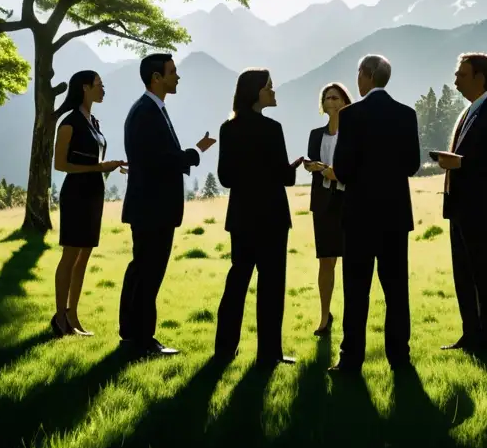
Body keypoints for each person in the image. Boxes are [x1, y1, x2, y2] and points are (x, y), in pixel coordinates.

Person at [119, 53, 216, 357]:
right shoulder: (147, 112)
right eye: (173, 72)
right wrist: (195, 152)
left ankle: (131, 333)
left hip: (151, 207)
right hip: (153, 208)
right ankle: (144, 339)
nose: (177, 77)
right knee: (149, 272)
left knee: (141, 270)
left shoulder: (149, 109)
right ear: (156, 78)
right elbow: (157, 160)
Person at [329, 54, 421, 373]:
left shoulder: (351, 115)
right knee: (396, 290)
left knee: (356, 290)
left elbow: (341, 169)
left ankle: (351, 358)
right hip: (395, 214)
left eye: (358, 73)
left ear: (367, 75)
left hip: (359, 216)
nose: (357, 79)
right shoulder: (406, 114)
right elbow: (412, 165)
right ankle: (400, 357)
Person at [214, 69, 304, 366]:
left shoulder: (227, 129)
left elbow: (225, 178)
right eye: (269, 87)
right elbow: (284, 177)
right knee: (271, 285)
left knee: (237, 280)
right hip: (273, 216)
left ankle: (225, 349)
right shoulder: (272, 128)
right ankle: (269, 353)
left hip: (241, 216)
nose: (273, 91)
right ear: (256, 92)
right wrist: (291, 169)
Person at [434, 53, 487, 355]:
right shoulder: (467, 113)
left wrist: (460, 162)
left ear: (479, 77)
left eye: (461, 75)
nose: (455, 81)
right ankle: (471, 334)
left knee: (486, 273)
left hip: (479, 209)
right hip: (459, 209)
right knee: (463, 274)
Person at [51, 70, 126, 338]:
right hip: (76, 195)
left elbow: (94, 162)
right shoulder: (69, 123)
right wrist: (98, 167)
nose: (103, 89)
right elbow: (60, 165)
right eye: (99, 85)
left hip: (95, 193)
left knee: (84, 257)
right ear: (85, 88)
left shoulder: (93, 121)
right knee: (70, 256)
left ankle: (73, 315)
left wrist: (111, 166)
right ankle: (60, 317)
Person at [304, 82, 352, 336]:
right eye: (326, 98)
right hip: (323, 203)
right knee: (326, 261)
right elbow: (313, 161)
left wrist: (336, 174)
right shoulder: (316, 134)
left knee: (352, 260)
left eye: (335, 97)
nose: (330, 101)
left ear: (345, 101)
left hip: (349, 201)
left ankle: (351, 318)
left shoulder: (354, 133)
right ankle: (324, 316)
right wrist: (313, 166)